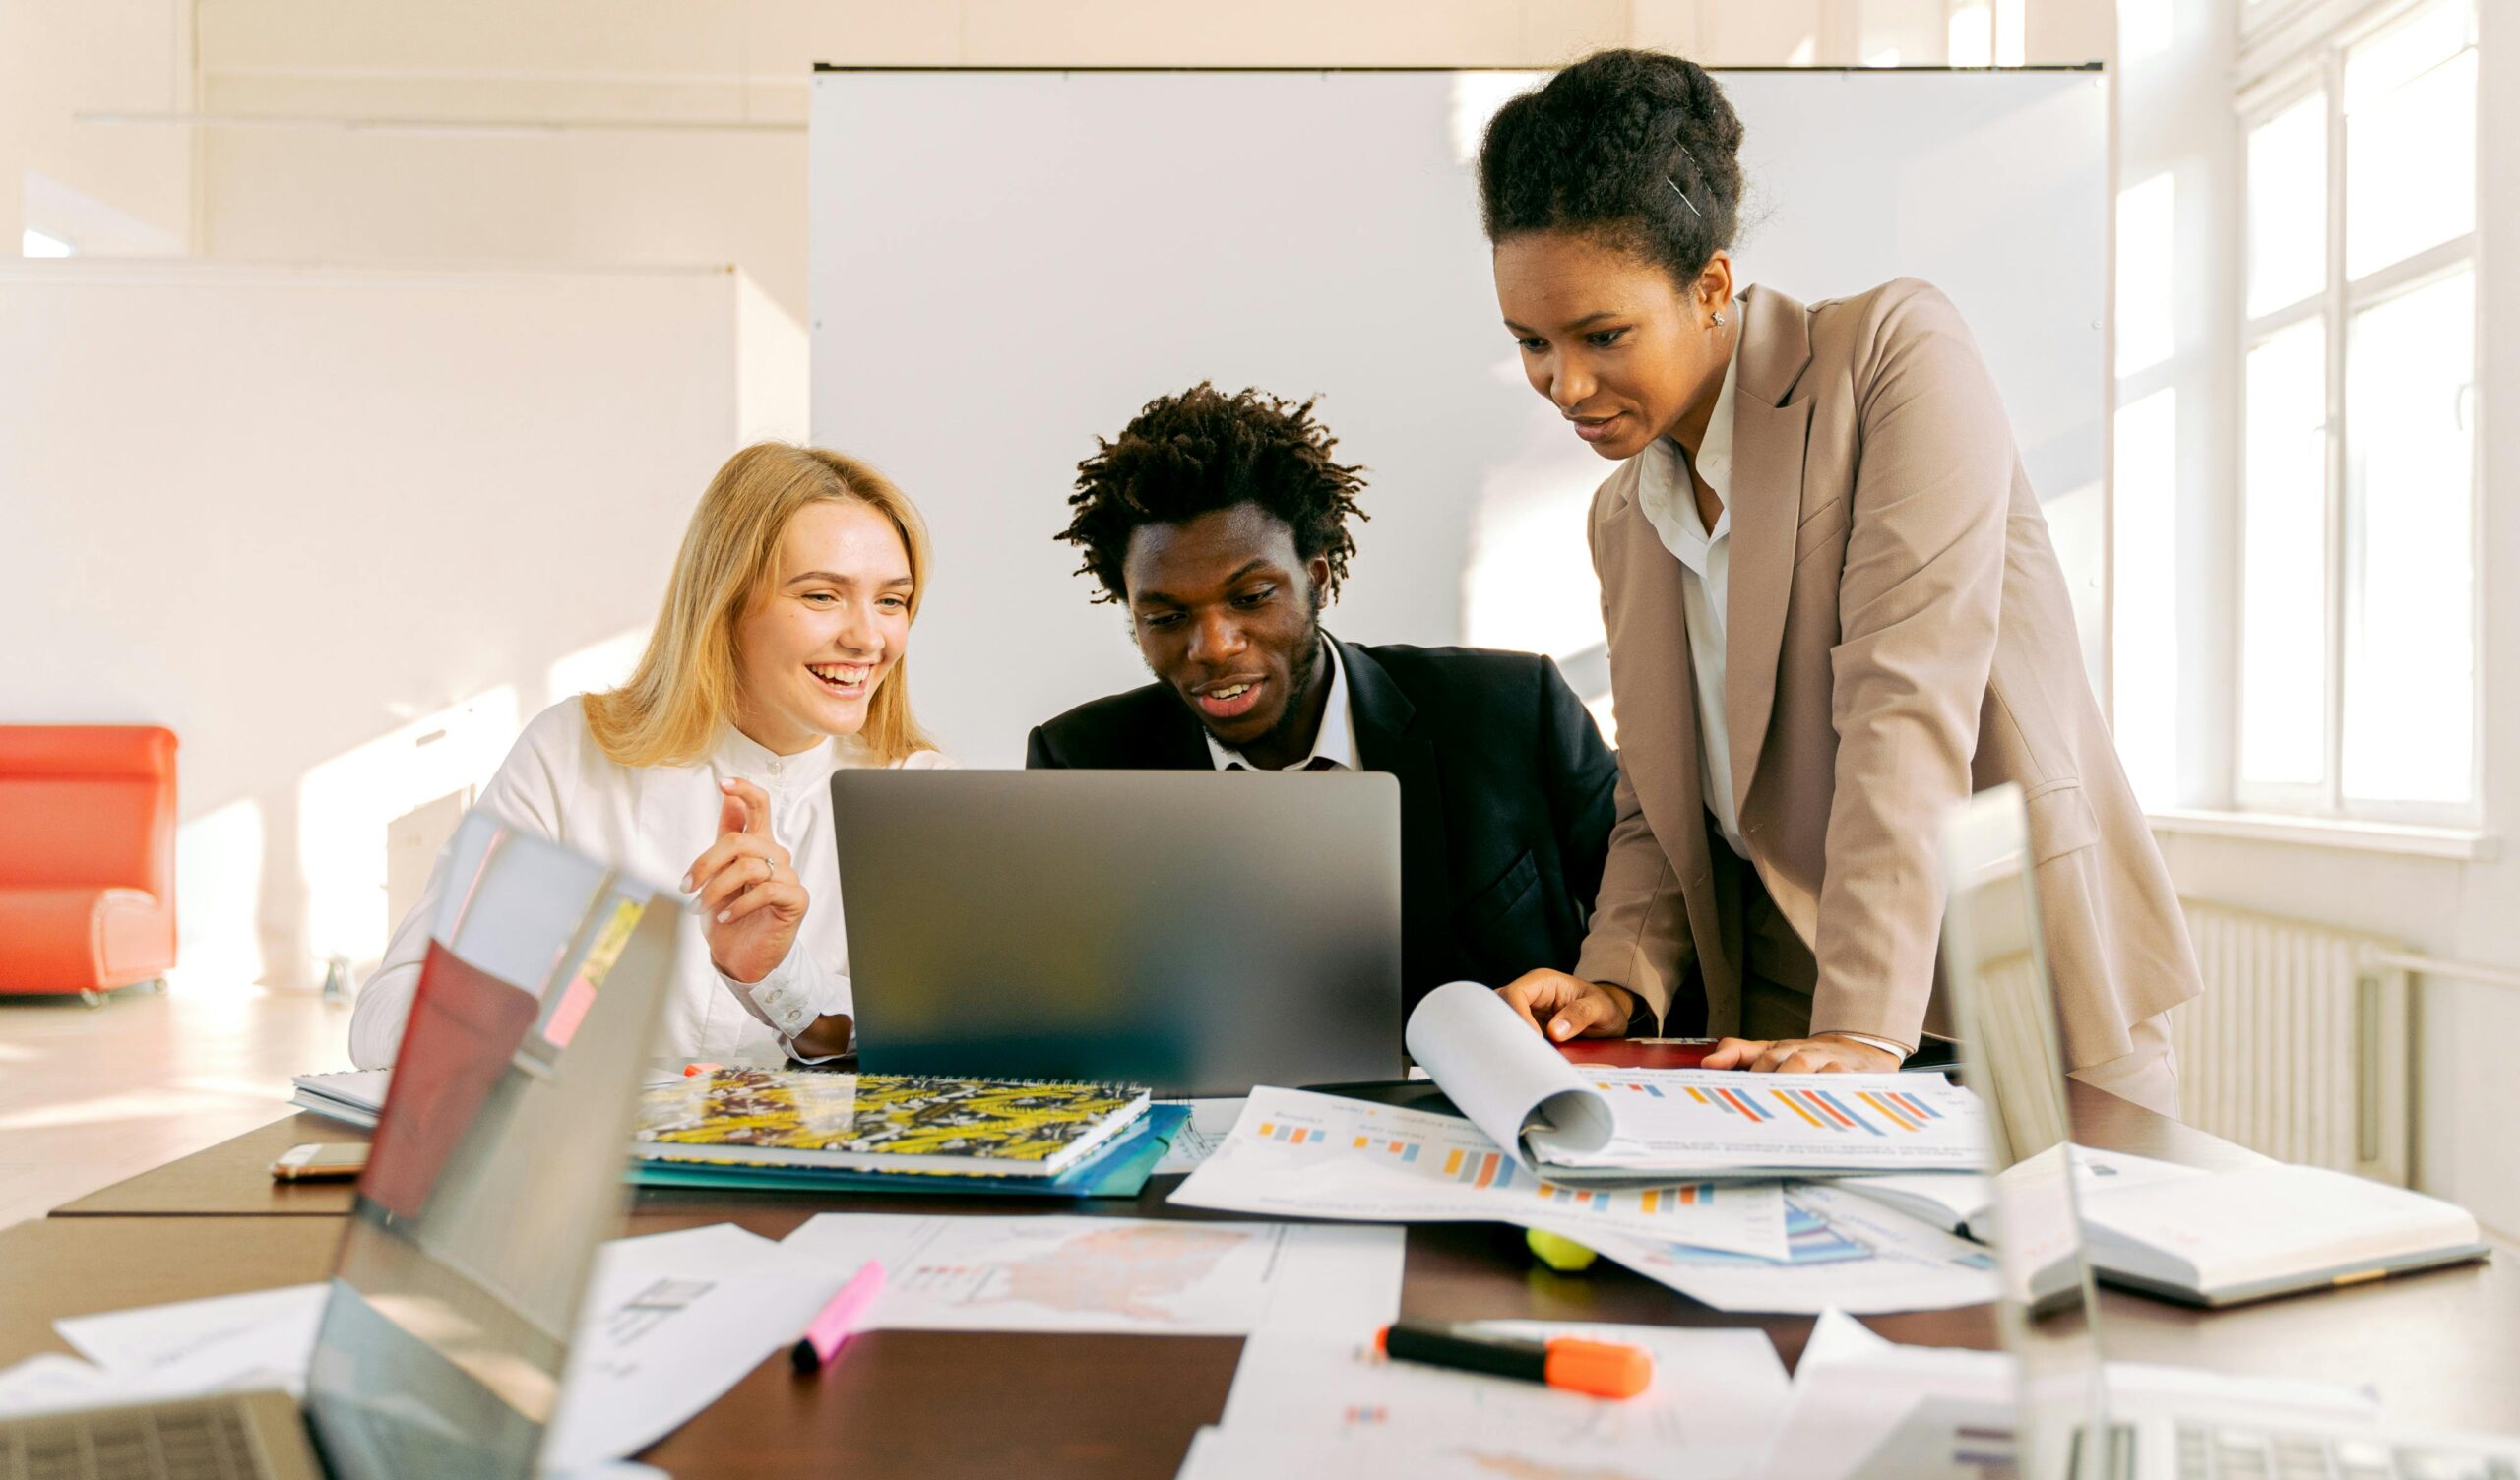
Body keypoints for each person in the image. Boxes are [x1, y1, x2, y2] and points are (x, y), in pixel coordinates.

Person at [1480, 51, 2198, 1112]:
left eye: (1601, 335)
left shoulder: (1886, 358)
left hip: (2007, 977)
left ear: (1710, 285)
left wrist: (1861, 1021)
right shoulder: (1623, 514)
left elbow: (1904, 699)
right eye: (1531, 343)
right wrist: (1616, 978)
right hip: (1781, 1015)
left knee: (2060, 1279)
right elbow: (1658, 795)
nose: (1564, 384)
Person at [349, 442, 950, 1069]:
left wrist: (777, 973)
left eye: (891, 601)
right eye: (822, 596)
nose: (867, 638)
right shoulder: (572, 753)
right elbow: (385, 1015)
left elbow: (937, 1052)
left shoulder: (926, 798)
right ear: (724, 605)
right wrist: (517, 1013)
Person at [1027, 383, 1618, 1016]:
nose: (1214, 647)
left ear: (1317, 578)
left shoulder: (1510, 710)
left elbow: (1660, 910)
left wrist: (1615, 994)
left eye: (1252, 597)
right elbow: (1057, 1002)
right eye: (1167, 617)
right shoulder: (1082, 763)